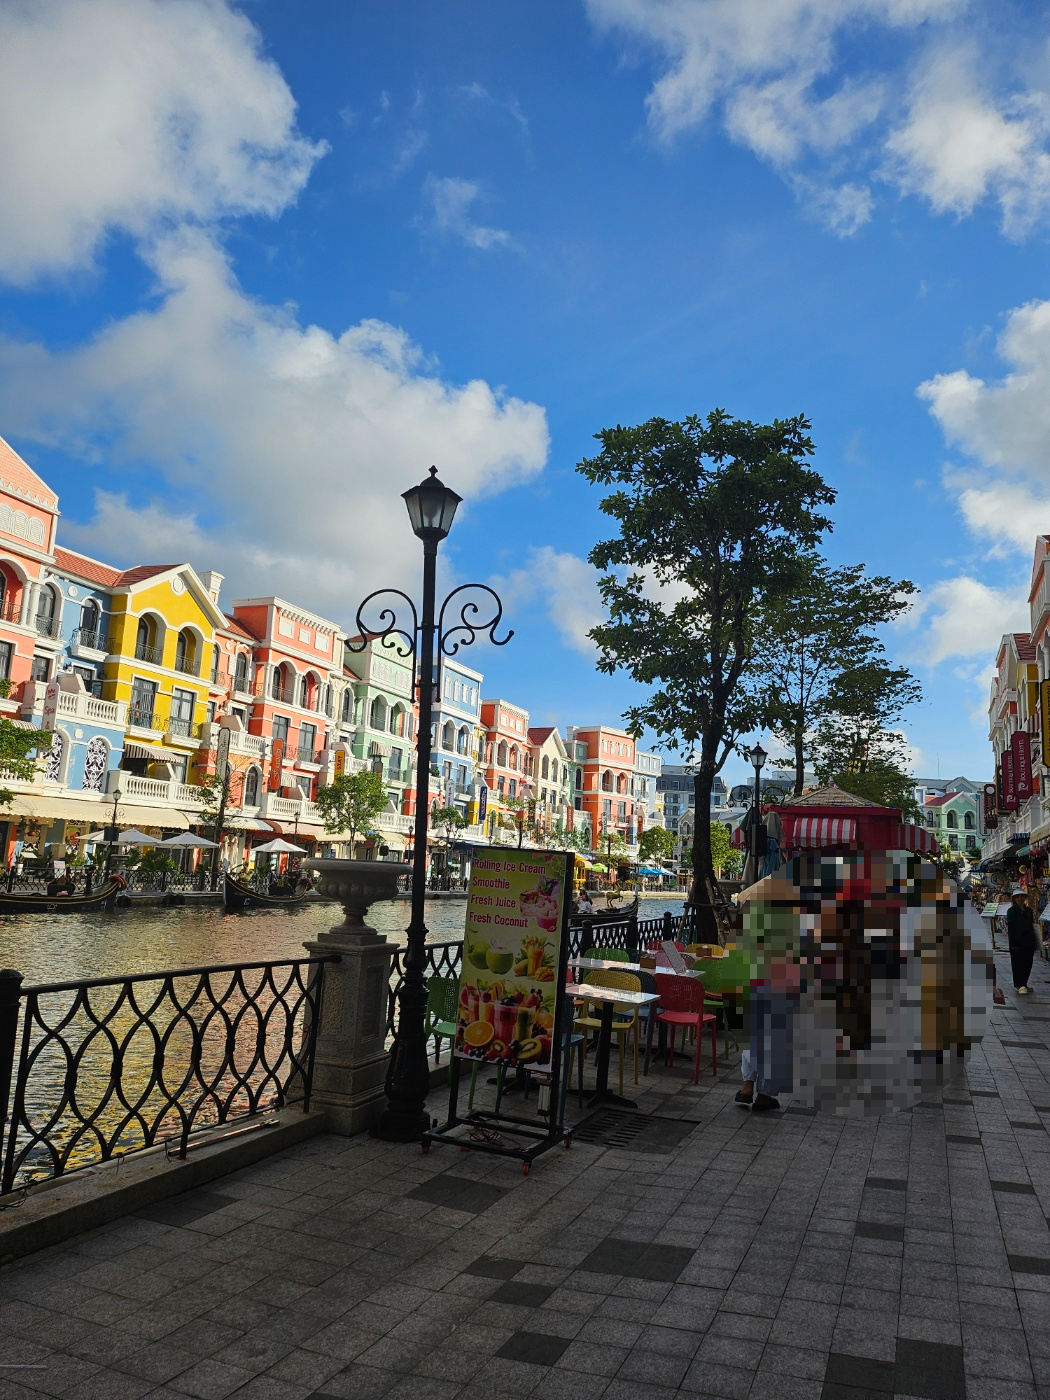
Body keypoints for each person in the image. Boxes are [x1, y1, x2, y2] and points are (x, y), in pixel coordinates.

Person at [1006, 888, 1040, 995]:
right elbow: (1011, 928)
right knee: (1018, 963)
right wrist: (1013, 942)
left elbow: (1031, 925)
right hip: (1017, 941)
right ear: (1014, 899)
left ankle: (1024, 983)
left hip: (1028, 940)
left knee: (1028, 963)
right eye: (1018, 897)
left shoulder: (1029, 910)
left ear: (1025, 897)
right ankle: (1019, 984)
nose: (1020, 898)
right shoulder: (1012, 911)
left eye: (1022, 896)